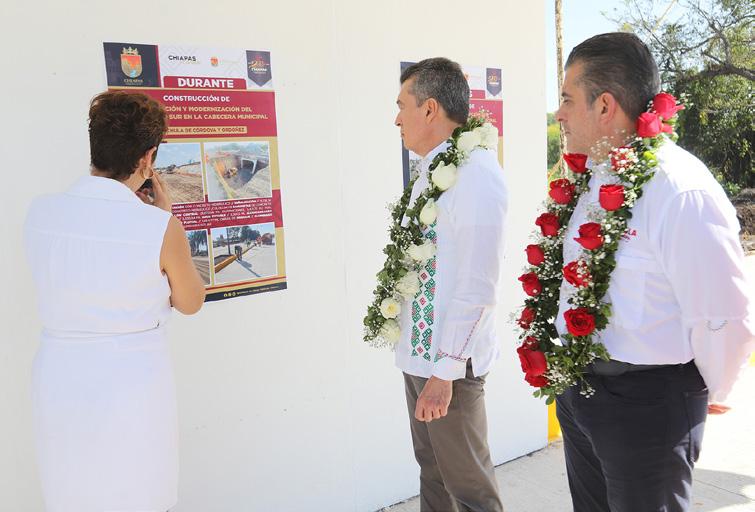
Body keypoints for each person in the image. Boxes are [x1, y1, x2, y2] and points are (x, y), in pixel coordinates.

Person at [553, 32, 754, 512]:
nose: (558, 113)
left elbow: (722, 313)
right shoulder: (593, 177)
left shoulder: (679, 189)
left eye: (567, 98)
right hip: (581, 391)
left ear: (605, 105)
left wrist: (714, 387)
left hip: (648, 405)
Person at [24, 90, 206, 512]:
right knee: (137, 491)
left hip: (58, 377)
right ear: (148, 158)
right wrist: (164, 217)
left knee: (71, 490)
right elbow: (190, 300)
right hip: (130, 383)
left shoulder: (40, 212)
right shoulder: (158, 227)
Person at [393, 58, 508, 512]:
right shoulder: (433, 168)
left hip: (450, 369)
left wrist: (445, 372)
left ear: (430, 109)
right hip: (422, 357)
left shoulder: (476, 174)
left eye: (402, 105)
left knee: (470, 491)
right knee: (434, 475)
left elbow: (479, 284)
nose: (396, 119)